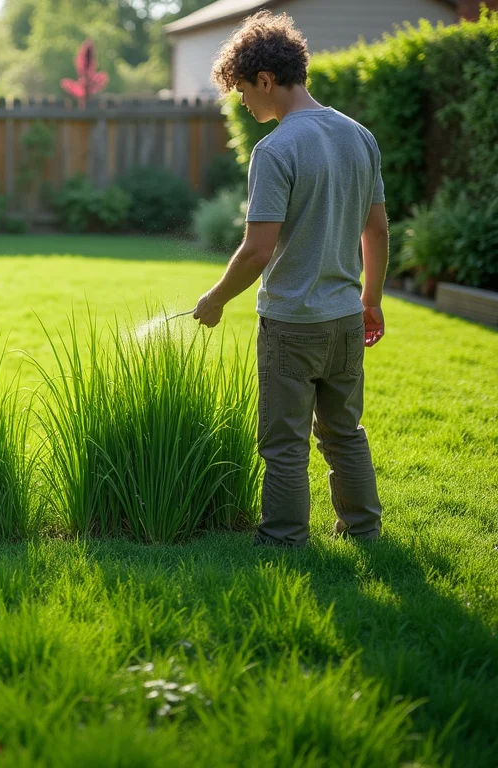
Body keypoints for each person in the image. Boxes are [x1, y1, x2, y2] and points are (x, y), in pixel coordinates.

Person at [192, 11, 388, 546]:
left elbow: (257, 251)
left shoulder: (275, 149)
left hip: (291, 324)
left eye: (243, 91)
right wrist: (371, 300)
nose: (244, 103)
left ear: (266, 79)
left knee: (283, 444)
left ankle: (282, 541)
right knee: (344, 432)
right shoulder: (359, 136)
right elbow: (376, 230)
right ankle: (364, 530)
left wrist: (214, 300)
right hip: (346, 318)